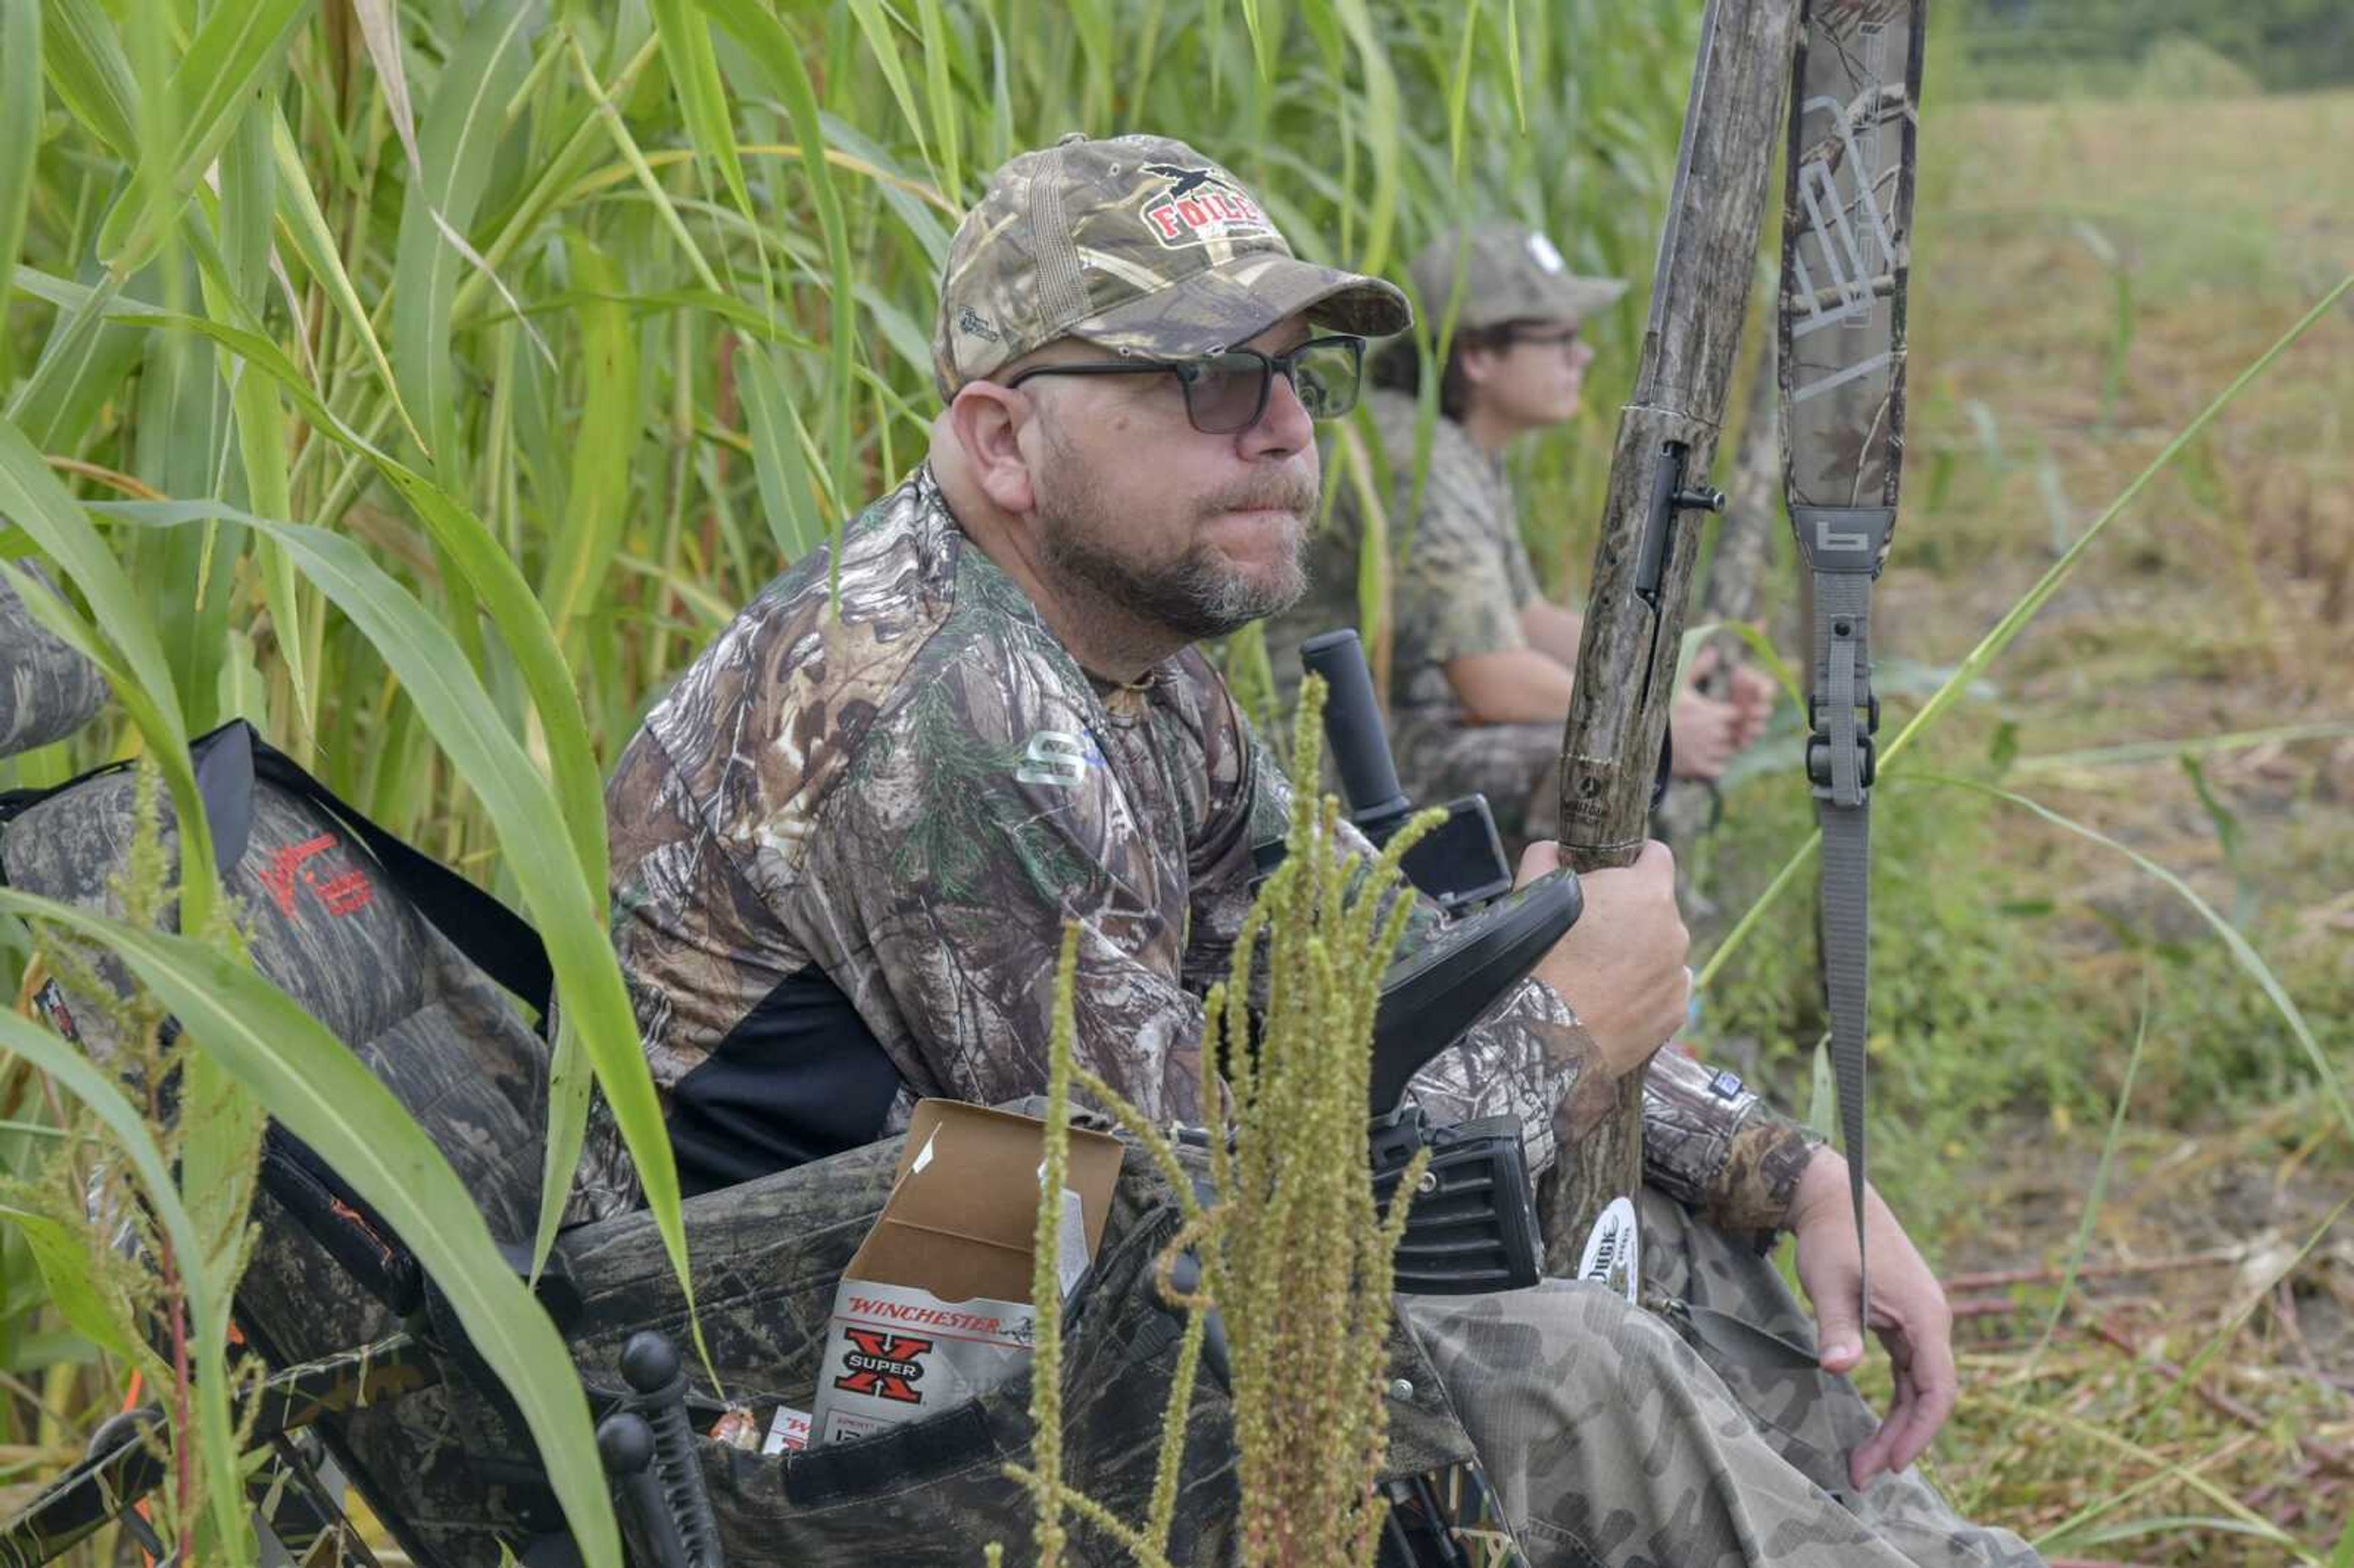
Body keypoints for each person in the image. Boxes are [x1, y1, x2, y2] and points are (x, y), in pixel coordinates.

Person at [595, 134, 2039, 1566]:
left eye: (1296, 374)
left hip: (989, 1282)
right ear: (999, 440)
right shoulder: (939, 711)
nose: (1287, 431)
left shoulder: (1134, 657)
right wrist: (1557, 1038)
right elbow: (1191, 1225)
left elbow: (1377, 960)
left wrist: (1779, 1165)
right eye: (1212, 378)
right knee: (1562, 1368)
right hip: (800, 1412)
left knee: (1652, 1229)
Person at [1260, 223, 1777, 848]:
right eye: (1559, 338)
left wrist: (1675, 673)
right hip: (1326, 756)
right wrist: (1653, 726)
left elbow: (1523, 619)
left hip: (1409, 724)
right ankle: (1549, 942)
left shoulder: (1459, 445)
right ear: (1478, 356)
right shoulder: (1417, 464)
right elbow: (1492, 677)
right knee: (1598, 767)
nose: (1580, 356)